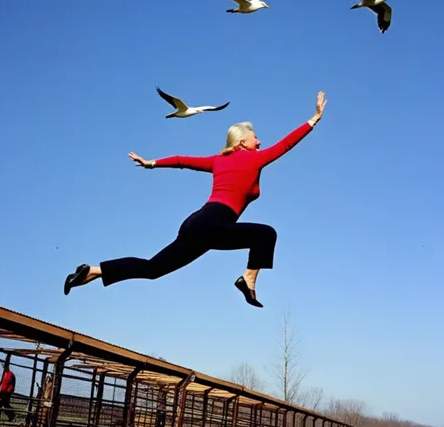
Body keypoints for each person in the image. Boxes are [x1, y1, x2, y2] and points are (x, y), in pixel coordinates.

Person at [64, 91, 328, 307]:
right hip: (214, 224)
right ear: (242, 142)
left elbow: (182, 160)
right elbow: (286, 145)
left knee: (153, 268)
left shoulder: (217, 161)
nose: (259, 143)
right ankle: (249, 280)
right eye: (255, 138)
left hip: (197, 224)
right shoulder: (254, 158)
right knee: (266, 234)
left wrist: (151, 163)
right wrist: (314, 119)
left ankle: (94, 271)